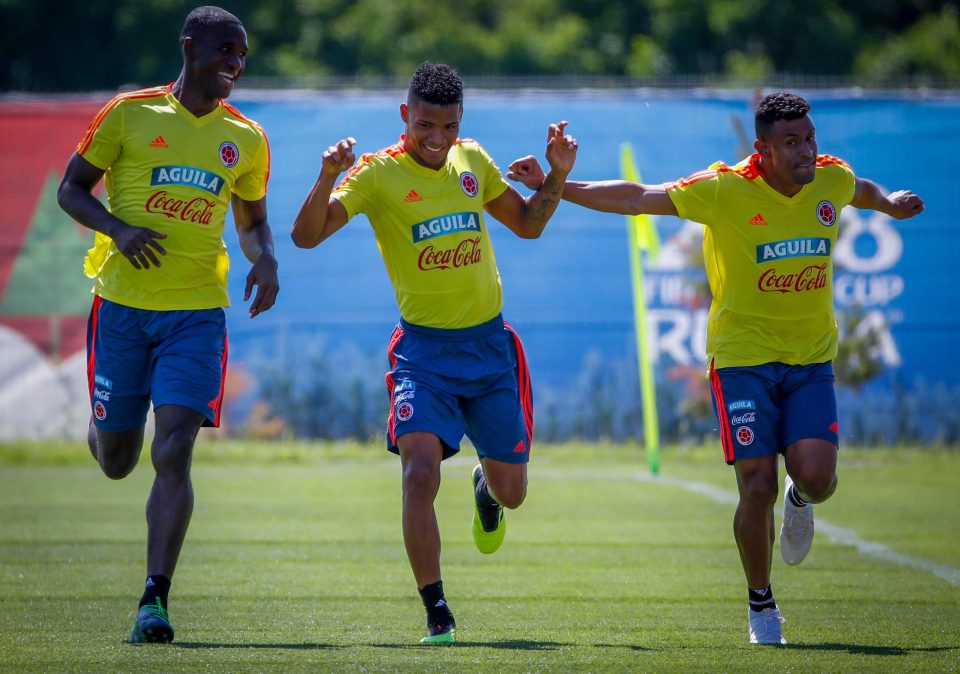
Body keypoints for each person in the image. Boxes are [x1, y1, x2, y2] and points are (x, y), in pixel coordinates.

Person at [507, 92, 924, 645]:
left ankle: (802, 499)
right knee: (756, 487)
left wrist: (889, 203)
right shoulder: (725, 188)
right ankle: (762, 606)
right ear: (764, 149)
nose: (806, 150)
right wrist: (552, 185)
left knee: (817, 479)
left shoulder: (830, 179)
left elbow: (860, 189)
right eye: (791, 142)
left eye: (810, 138)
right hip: (742, 361)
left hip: (809, 359)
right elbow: (636, 197)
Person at [292, 61, 577, 644]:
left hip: (490, 351)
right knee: (419, 474)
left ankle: (485, 487)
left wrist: (556, 176)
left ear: (460, 122)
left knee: (512, 493)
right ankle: (438, 612)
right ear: (405, 116)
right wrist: (326, 176)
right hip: (422, 355)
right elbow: (306, 235)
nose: (438, 139)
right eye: (426, 125)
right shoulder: (375, 175)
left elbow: (527, 226)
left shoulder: (473, 159)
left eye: (448, 126)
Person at [57, 5, 279, 644]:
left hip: (196, 315)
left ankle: (153, 600)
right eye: (225, 50)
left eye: (242, 54)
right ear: (190, 47)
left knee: (175, 447)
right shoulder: (128, 113)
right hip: (123, 310)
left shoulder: (247, 138)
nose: (235, 63)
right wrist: (118, 229)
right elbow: (71, 190)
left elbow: (254, 220)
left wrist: (265, 260)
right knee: (119, 460)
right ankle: (102, 427)